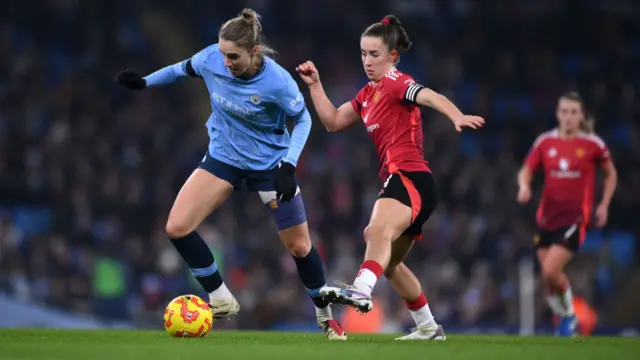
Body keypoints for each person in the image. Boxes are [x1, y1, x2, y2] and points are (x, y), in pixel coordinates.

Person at [114, 9, 346, 340]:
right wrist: (145, 82)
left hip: (269, 166)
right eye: (222, 54)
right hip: (223, 159)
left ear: (254, 51)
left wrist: (289, 166)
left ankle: (325, 316)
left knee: (299, 247)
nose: (225, 62)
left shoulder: (278, 81)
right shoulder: (212, 58)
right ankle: (221, 298)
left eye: (233, 56)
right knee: (177, 227)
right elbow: (181, 70)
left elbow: (304, 120)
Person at [296, 15, 484, 340]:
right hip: (414, 185)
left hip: (408, 175)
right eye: (363, 54)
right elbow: (333, 121)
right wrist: (315, 86)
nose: (368, 61)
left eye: (375, 54)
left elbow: (428, 96)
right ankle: (427, 327)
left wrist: (456, 115)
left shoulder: (397, 81)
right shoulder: (367, 95)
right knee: (391, 265)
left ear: (392, 56)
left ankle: (361, 290)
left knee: (375, 231)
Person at [517, 91, 617, 336]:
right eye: (564, 111)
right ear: (558, 114)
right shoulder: (545, 142)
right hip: (546, 219)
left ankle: (568, 318)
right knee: (549, 278)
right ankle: (567, 318)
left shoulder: (592, 144)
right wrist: (524, 186)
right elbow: (526, 170)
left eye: (574, 112)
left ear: (581, 115)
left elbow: (610, 173)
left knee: (551, 271)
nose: (569, 117)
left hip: (574, 220)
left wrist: (604, 204)